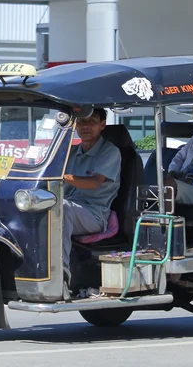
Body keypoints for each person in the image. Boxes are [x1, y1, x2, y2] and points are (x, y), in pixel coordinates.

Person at [62, 108, 121, 284]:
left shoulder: (110, 152)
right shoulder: (71, 152)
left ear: (102, 125)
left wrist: (63, 176)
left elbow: (94, 182)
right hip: (72, 205)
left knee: (60, 209)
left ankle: (61, 273)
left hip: (94, 214)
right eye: (81, 121)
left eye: (92, 122)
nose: (85, 126)